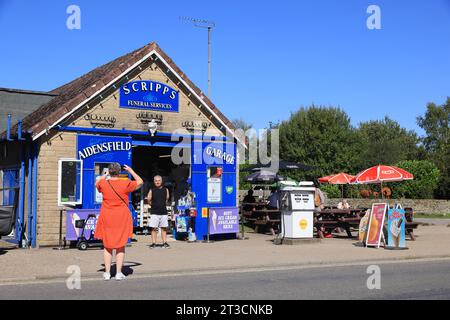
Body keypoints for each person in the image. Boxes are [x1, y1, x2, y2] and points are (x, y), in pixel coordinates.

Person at [95, 163, 143, 281]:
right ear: (119, 172)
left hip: (107, 215)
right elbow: (140, 181)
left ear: (109, 171)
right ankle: (118, 273)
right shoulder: (125, 182)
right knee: (120, 245)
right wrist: (131, 171)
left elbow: (96, 183)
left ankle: (107, 273)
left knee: (107, 246)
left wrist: (104, 175)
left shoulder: (103, 183)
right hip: (121, 216)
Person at [147, 175, 170, 249]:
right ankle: (154, 243)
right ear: (154, 182)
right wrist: (153, 205)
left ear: (161, 181)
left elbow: (167, 199)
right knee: (154, 228)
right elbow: (148, 199)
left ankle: (165, 243)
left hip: (163, 212)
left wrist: (161, 204)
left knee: (164, 228)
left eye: (159, 180)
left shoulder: (166, 190)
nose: (157, 182)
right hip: (154, 212)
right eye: (156, 180)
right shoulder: (152, 190)